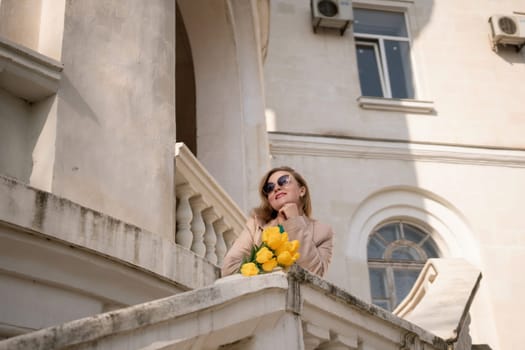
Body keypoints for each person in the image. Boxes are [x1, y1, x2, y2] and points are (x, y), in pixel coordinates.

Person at [221, 166, 334, 277]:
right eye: (269, 188)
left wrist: (294, 221)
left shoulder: (322, 231)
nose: (276, 188)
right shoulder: (257, 224)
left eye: (283, 181)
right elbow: (229, 268)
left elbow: (313, 273)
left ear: (302, 190)